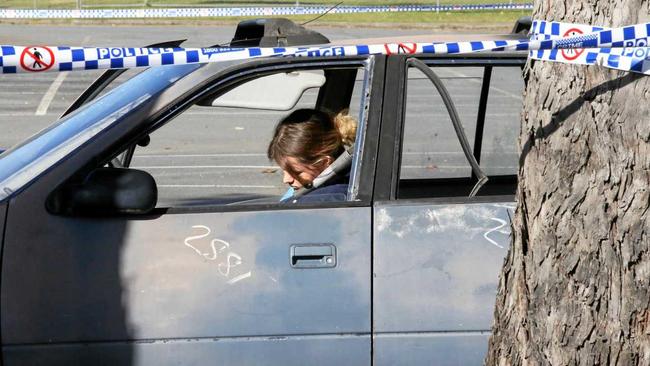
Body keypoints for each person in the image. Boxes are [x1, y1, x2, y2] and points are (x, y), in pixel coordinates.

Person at [267, 108, 357, 203]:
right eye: (284, 170)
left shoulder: (323, 199)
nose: (286, 179)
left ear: (324, 162)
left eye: (297, 172)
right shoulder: (312, 187)